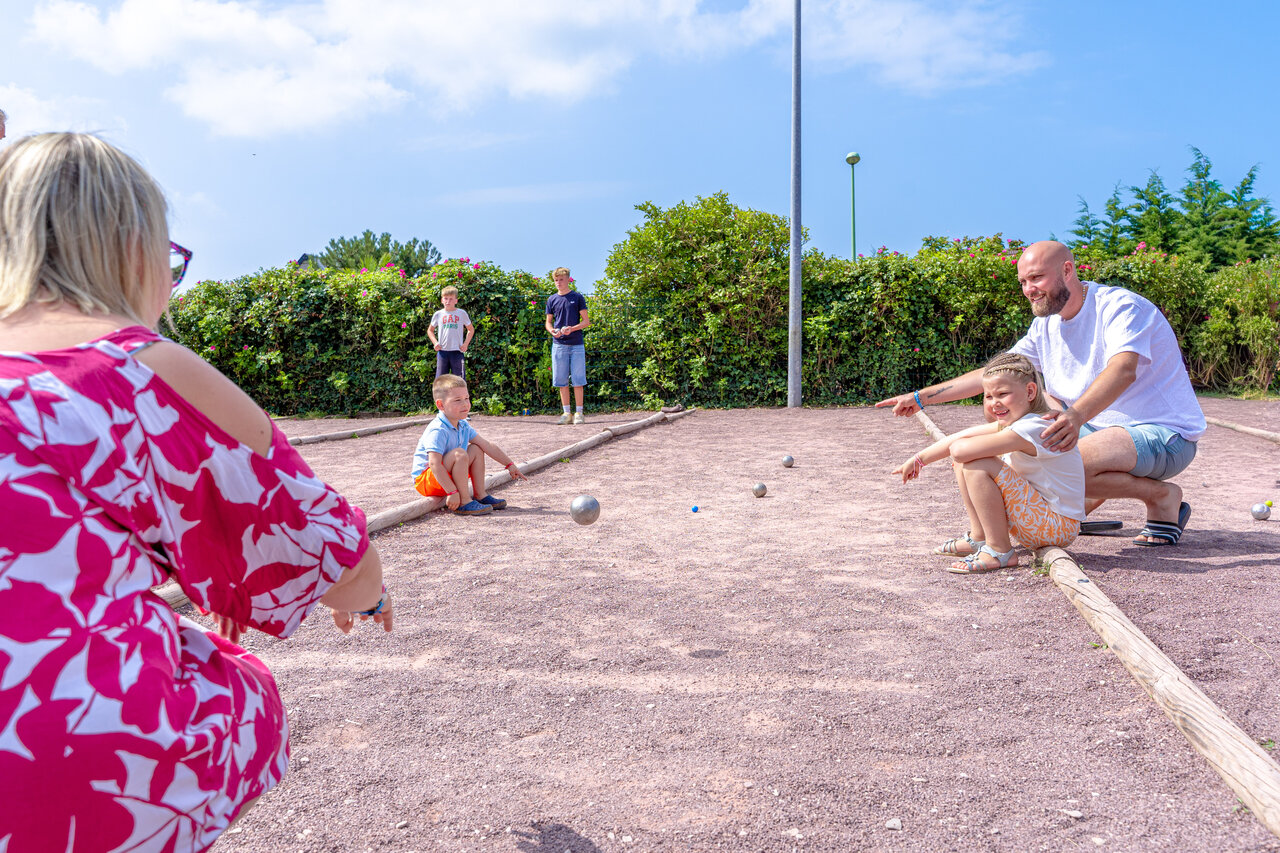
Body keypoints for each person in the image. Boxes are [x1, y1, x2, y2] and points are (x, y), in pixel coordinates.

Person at [0, 133, 393, 851]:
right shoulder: (136, 366)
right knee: (236, 687)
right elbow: (336, 559)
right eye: (170, 262)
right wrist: (369, 596)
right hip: (51, 764)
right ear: (130, 248)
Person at [877, 240, 1204, 547]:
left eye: (1036, 278)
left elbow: (1123, 370)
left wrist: (1075, 417)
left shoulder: (1119, 306)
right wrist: (921, 397)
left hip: (1164, 432)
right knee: (1028, 460)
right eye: (1022, 281)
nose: (1028, 289)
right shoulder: (1045, 326)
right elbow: (996, 375)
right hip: (1098, 428)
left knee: (1063, 460)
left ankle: (1161, 498)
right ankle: (1072, 508)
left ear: (1067, 271)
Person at [892, 353, 1085, 573]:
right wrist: (919, 460)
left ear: (1030, 392)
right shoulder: (1022, 422)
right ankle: (979, 537)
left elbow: (959, 448)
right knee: (968, 459)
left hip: (1056, 527)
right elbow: (961, 437)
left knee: (976, 462)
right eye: (988, 396)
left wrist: (963, 446)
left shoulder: (1034, 428)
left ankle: (999, 550)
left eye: (1002, 394)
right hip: (1042, 521)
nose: (994, 403)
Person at [412, 373, 527, 515]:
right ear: (441, 405)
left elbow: (487, 445)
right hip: (427, 481)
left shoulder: (463, 424)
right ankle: (464, 501)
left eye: (466, 398)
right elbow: (434, 464)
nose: (465, 404)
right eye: (457, 400)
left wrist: (509, 464)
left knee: (477, 448)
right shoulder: (438, 429)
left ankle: (480, 495)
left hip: (445, 476)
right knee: (459, 453)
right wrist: (452, 492)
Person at [545, 266, 590, 424]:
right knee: (560, 379)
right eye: (556, 280)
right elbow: (548, 323)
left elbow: (586, 322)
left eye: (561, 279)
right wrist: (553, 332)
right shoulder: (551, 299)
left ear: (568, 279)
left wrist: (572, 329)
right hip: (558, 344)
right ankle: (566, 413)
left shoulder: (577, 297)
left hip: (577, 344)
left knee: (578, 379)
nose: (558, 282)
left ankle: (579, 413)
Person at [428, 284, 474, 378]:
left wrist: (465, 344)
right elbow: (430, 330)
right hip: (442, 352)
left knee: (460, 381)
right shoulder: (438, 314)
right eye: (445, 298)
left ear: (456, 301)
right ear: (442, 300)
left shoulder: (461, 313)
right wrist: (435, 342)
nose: (448, 301)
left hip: (457, 352)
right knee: (440, 381)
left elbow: (471, 329)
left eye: (451, 299)